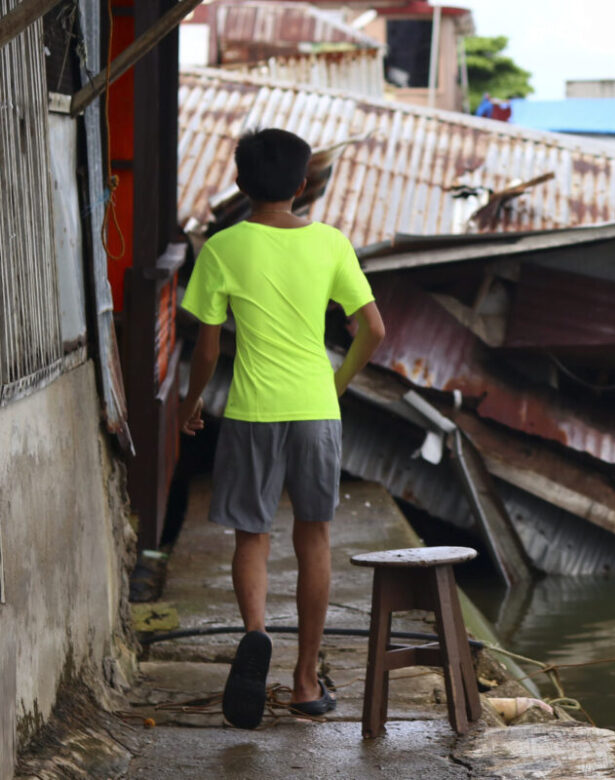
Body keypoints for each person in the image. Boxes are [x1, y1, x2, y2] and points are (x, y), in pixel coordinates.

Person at [177, 128, 385, 729]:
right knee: (315, 537)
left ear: (241, 184)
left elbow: (208, 348)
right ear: (302, 185)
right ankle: (303, 682)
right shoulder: (331, 243)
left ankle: (255, 636)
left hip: (251, 411)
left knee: (252, 536)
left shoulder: (223, 246)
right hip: (316, 407)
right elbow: (373, 330)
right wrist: (336, 383)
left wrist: (192, 404)